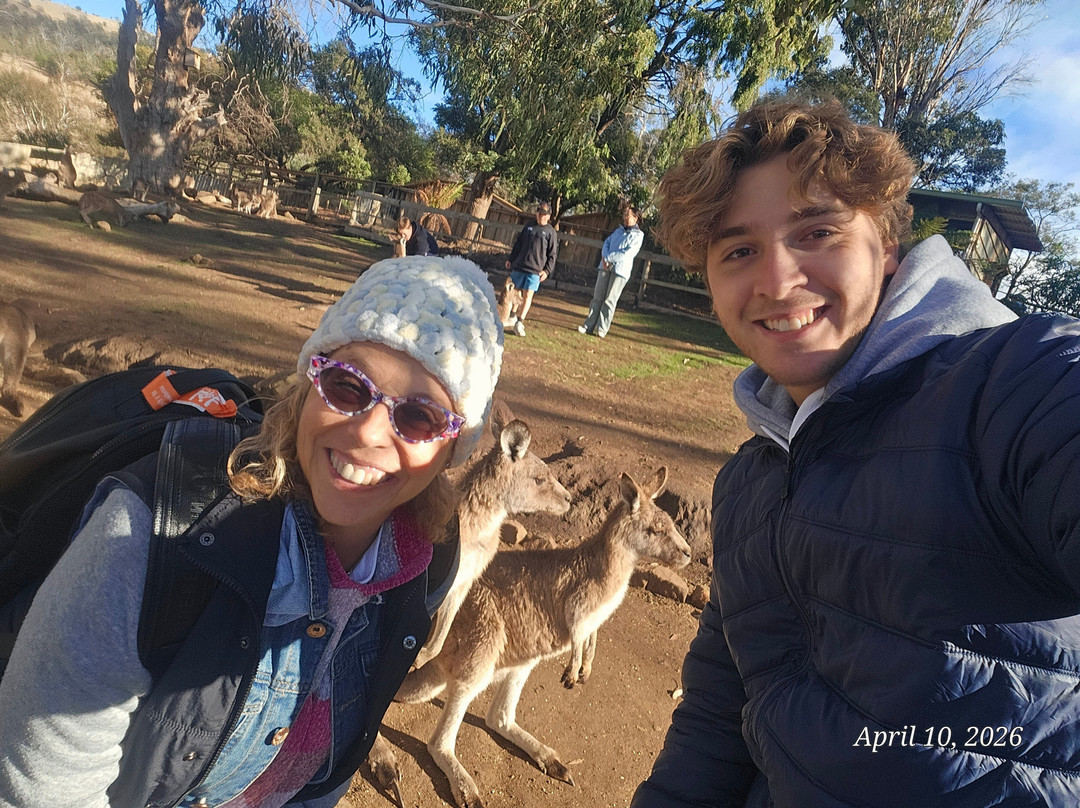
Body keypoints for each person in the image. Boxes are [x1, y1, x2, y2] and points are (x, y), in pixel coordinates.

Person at [631, 97, 1080, 807]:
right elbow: (719, 710)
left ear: (887, 246)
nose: (778, 280)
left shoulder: (1011, 388)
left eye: (817, 233)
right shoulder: (749, 483)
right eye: (740, 251)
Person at [0, 256, 504, 808]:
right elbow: (44, 783)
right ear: (309, 385)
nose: (367, 432)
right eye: (347, 386)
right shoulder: (151, 538)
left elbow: (328, 768)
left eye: (419, 417)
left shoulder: (423, 567)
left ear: (454, 448)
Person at [578, 204, 645, 338]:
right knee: (597, 297)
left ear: (635, 218)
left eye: (628, 215)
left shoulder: (638, 236)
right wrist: (605, 257)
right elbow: (606, 244)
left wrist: (610, 258)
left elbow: (628, 253)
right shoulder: (618, 231)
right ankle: (588, 325)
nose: (625, 217)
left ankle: (602, 329)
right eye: (624, 214)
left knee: (609, 300)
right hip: (605, 266)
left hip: (620, 271)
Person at [503, 201, 558, 337]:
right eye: (539, 213)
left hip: (535, 270)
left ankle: (519, 322)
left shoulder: (551, 232)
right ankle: (512, 316)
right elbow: (518, 244)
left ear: (548, 216)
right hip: (520, 266)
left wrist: (547, 271)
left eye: (544, 215)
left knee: (528, 295)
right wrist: (511, 259)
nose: (541, 216)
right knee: (515, 292)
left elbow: (552, 254)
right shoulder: (529, 227)